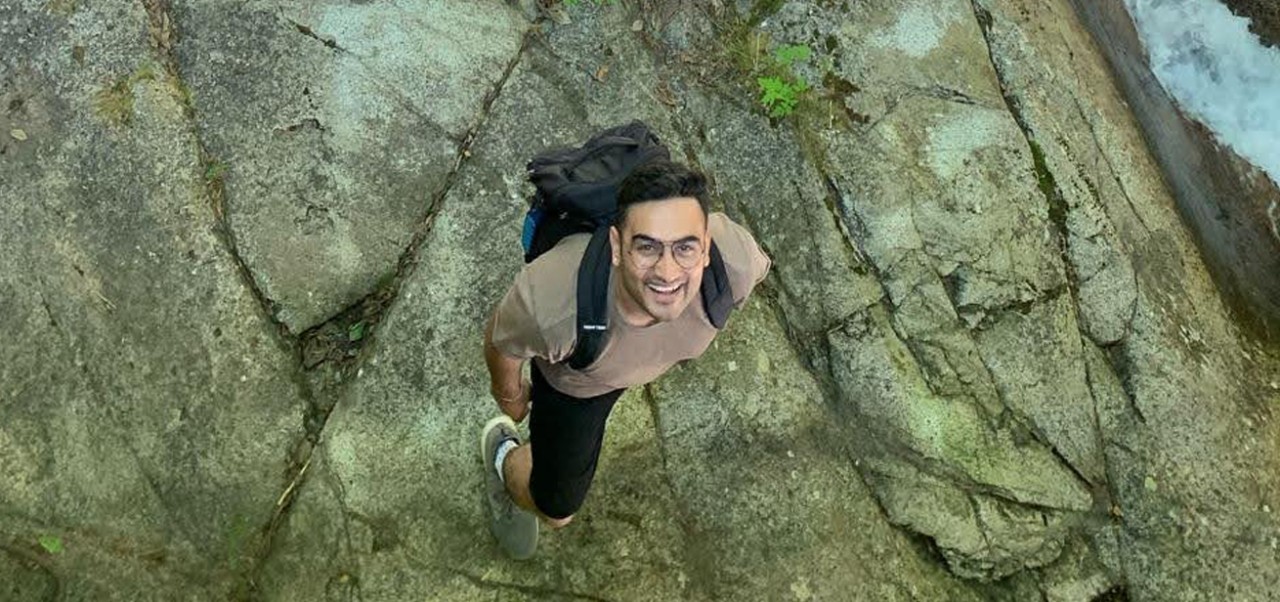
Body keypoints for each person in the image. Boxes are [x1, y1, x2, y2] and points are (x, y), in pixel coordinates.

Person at [480, 159, 772, 559]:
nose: (668, 272)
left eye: (685, 247)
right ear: (616, 246)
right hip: (579, 386)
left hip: (616, 363)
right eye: (647, 247)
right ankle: (502, 456)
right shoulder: (552, 305)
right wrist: (509, 396)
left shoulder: (736, 263)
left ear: (706, 247)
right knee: (556, 510)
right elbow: (501, 341)